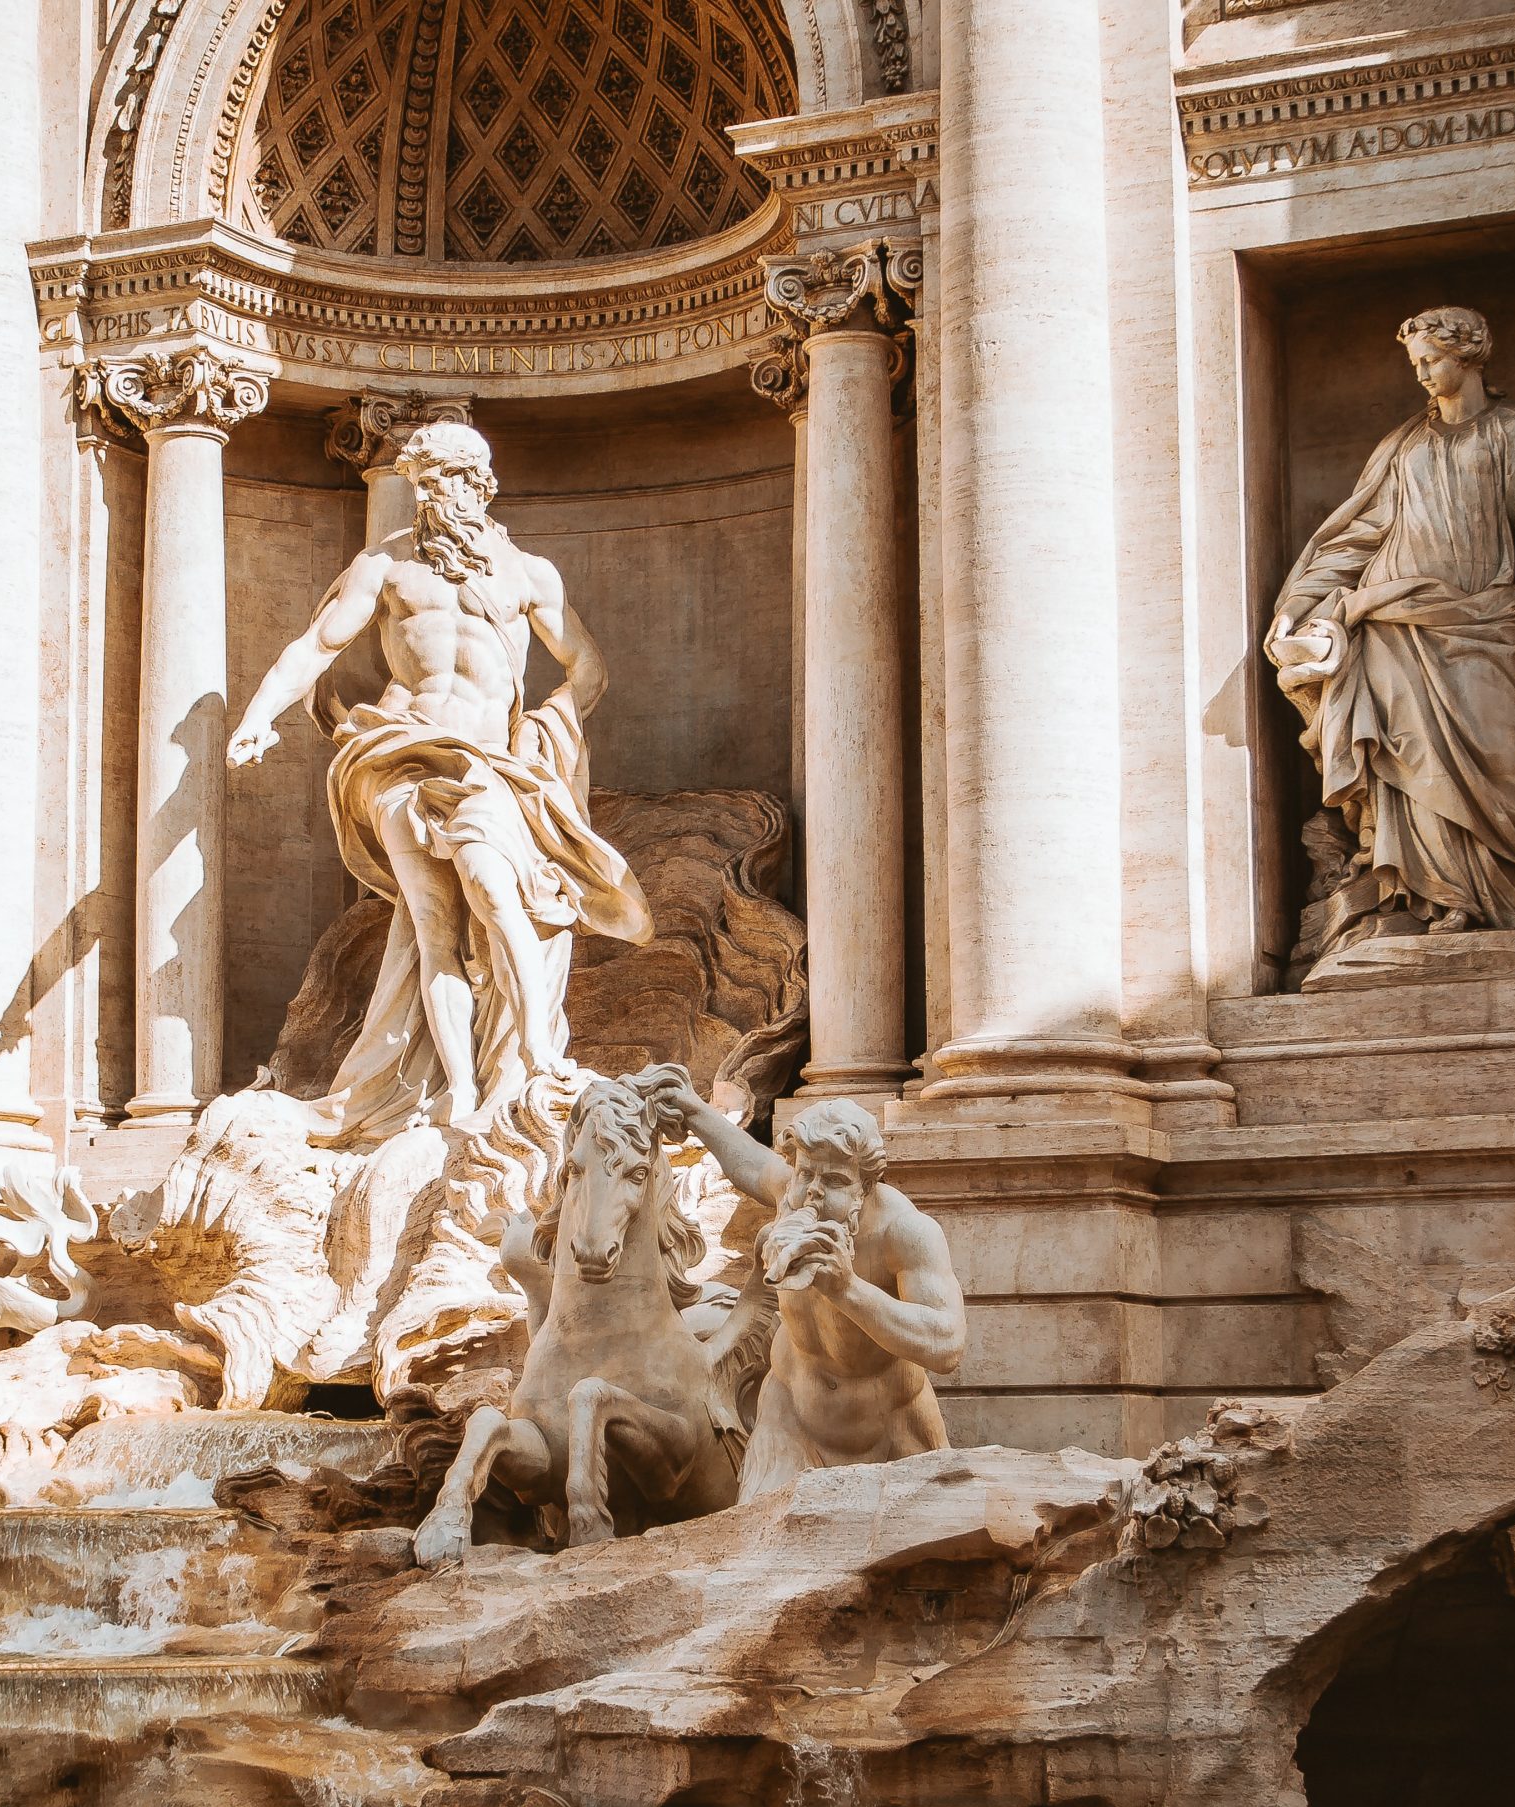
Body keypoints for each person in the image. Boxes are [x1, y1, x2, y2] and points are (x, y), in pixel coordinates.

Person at [227, 422, 651, 1139]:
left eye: (446, 479)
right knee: (434, 933)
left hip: (486, 762)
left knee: (495, 891)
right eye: (422, 482)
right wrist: (257, 714)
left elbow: (588, 668)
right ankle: (457, 1091)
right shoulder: (385, 568)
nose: (432, 495)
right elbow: (317, 645)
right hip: (399, 753)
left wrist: (547, 730)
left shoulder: (528, 575)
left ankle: (538, 1052)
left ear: (480, 484)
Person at [1265, 304, 1515, 949]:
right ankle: (1432, 899)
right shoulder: (1404, 447)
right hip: (1395, 628)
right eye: (1416, 363)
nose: (1422, 373)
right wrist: (1300, 602)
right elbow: (1355, 540)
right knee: (1411, 763)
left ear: (1471, 357)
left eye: (1433, 361)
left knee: (1508, 758)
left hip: (1487, 625)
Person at [666, 1088, 967, 1498]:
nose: (814, 1192)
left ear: (866, 1185)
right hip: (790, 1421)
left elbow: (947, 1344)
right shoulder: (791, 1195)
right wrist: (694, 1110)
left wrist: (848, 1290)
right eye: (806, 1173)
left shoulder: (905, 1232)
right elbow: (750, 1161)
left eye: (835, 1180)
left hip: (893, 1430)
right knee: (765, 1551)